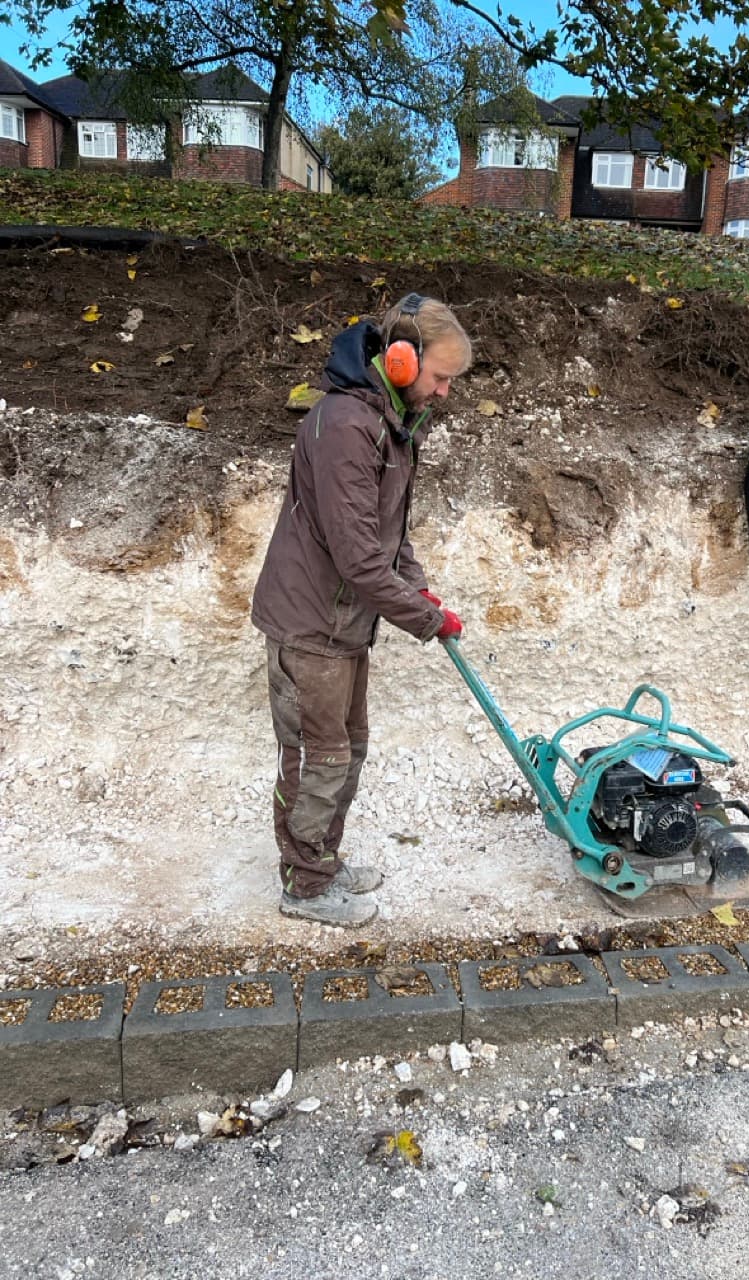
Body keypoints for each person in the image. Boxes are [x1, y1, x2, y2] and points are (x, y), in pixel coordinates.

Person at [251, 293, 472, 926]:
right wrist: (427, 619)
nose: (445, 393)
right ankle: (306, 887)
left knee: (348, 746)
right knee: (318, 756)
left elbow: (387, 534)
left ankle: (320, 856)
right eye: (440, 378)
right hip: (311, 621)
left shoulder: (389, 422)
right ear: (402, 362)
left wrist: (419, 587)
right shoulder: (348, 425)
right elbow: (356, 556)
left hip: (344, 619)